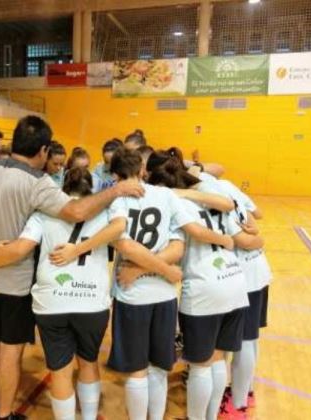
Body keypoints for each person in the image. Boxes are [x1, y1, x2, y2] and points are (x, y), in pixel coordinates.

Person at [0, 115, 144, 420]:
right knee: (10, 353)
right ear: (43, 150)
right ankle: (5, 413)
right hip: (15, 284)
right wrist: (116, 191)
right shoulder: (37, 183)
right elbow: (76, 211)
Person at [0, 167, 127, 420]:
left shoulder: (44, 213)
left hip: (51, 303)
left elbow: (19, 249)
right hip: (92, 303)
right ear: (92, 189)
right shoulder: (106, 211)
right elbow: (121, 234)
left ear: (62, 189)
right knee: (88, 363)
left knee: (61, 371)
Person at [105, 148, 235, 420]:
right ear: (143, 171)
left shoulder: (117, 201)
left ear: (115, 175)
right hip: (164, 294)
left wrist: (138, 271)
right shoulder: (165, 196)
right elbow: (179, 247)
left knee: (137, 370)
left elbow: (124, 246)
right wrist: (165, 269)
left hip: (133, 296)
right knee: (160, 368)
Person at [149, 158, 263, 420]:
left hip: (204, 286)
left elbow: (192, 233)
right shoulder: (212, 199)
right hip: (234, 280)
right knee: (218, 359)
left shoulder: (174, 204)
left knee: (200, 366)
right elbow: (231, 208)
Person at [213, 180, 271, 419]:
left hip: (243, 275)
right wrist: (258, 237)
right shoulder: (227, 186)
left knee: (244, 340)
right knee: (251, 338)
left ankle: (237, 405)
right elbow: (255, 216)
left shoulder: (210, 194)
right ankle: (244, 392)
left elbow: (246, 240)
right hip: (258, 269)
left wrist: (256, 239)